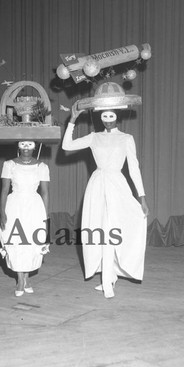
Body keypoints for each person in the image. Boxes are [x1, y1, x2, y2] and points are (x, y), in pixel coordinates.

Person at [62, 102, 149, 299]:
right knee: (100, 229)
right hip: (97, 185)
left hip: (117, 185)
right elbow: (67, 146)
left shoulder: (126, 138)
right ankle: (108, 277)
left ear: (117, 117)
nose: (108, 121)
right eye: (104, 117)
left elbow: (134, 168)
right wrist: (73, 120)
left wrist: (141, 197)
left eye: (111, 116)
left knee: (113, 228)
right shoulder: (94, 137)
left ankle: (109, 279)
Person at [0, 140, 50, 296]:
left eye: (30, 144)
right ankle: (20, 280)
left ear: (35, 146)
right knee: (15, 241)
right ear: (18, 145)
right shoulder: (9, 165)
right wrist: (2, 212)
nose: (26, 148)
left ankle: (27, 278)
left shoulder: (42, 166)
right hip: (14, 205)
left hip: (34, 206)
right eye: (23, 144)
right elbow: (4, 190)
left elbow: (45, 193)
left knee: (32, 241)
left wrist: (46, 217)